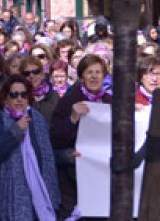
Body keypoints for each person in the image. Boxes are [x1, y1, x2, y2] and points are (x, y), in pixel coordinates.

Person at [0, 75, 60, 221]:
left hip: (38, 193)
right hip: (9, 196)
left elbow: (47, 154)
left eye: (24, 95)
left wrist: (66, 156)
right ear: (5, 98)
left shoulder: (38, 120)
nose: (19, 99)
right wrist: (16, 130)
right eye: (14, 95)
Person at [51, 55, 111, 218]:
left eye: (98, 72)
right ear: (82, 76)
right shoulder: (69, 101)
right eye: (89, 72)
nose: (94, 76)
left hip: (102, 172)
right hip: (73, 174)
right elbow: (55, 139)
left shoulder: (110, 101)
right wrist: (72, 119)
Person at [21, 56, 59, 124]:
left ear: (42, 75)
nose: (31, 76)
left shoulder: (54, 96)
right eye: (26, 73)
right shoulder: (18, 97)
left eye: (36, 71)